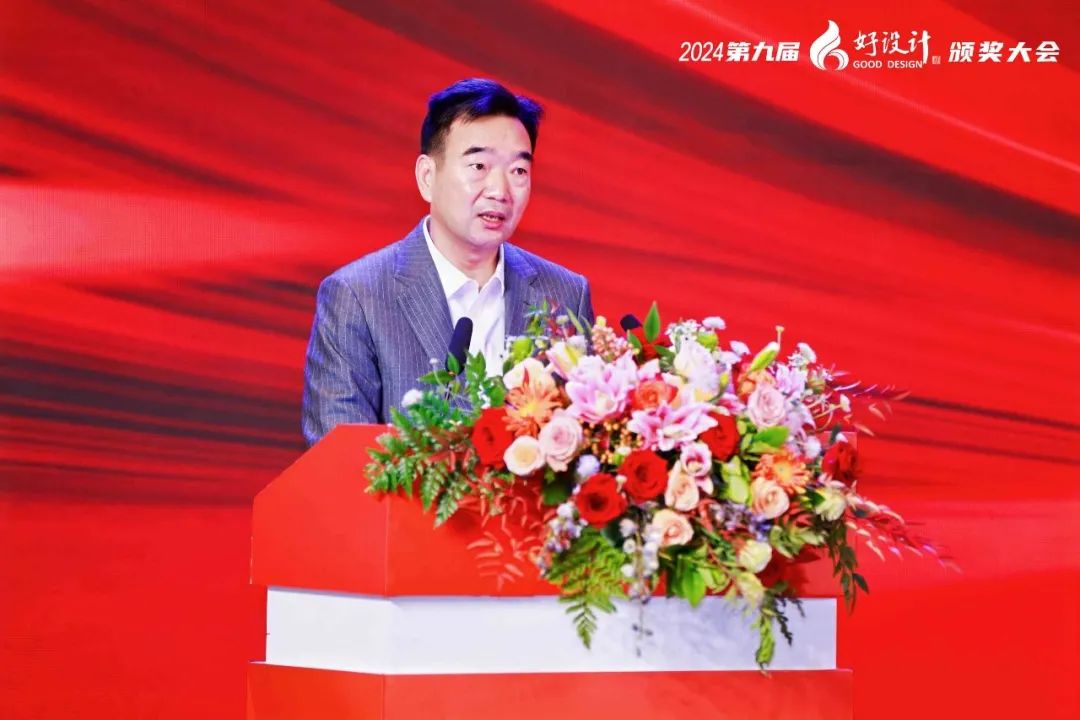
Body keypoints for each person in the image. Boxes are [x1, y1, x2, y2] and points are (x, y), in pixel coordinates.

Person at [302, 78, 595, 446]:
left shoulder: (566, 294)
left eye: (519, 171)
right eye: (478, 166)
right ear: (428, 177)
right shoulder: (357, 297)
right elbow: (339, 458)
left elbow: (589, 444)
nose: (500, 191)